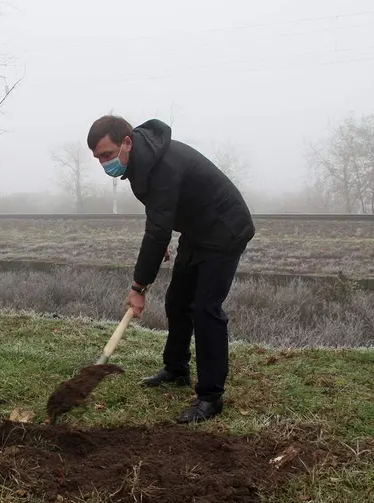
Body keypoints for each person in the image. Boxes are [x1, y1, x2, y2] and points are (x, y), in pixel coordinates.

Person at [87, 115, 255, 424]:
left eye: (107, 155)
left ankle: (210, 397)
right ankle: (176, 368)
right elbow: (159, 214)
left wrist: (138, 288)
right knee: (177, 301)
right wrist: (162, 232)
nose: (104, 164)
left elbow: (158, 223)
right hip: (197, 229)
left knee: (206, 309)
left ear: (126, 142)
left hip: (225, 230)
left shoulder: (163, 165)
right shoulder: (140, 159)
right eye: (98, 158)